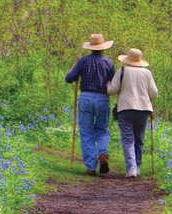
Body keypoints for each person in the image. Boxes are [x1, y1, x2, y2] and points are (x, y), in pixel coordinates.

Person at [65, 33, 117, 176]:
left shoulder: (83, 61)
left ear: (91, 48)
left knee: (86, 131)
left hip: (86, 97)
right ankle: (102, 153)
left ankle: (91, 167)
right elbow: (113, 82)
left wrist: (75, 66)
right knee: (102, 130)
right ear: (103, 48)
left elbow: (69, 79)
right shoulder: (108, 63)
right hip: (102, 97)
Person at [107, 48, 158, 178]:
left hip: (125, 108)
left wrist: (108, 85)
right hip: (144, 108)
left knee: (128, 139)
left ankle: (131, 169)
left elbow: (112, 90)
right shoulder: (147, 73)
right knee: (139, 139)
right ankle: (138, 167)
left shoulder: (122, 71)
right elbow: (154, 94)